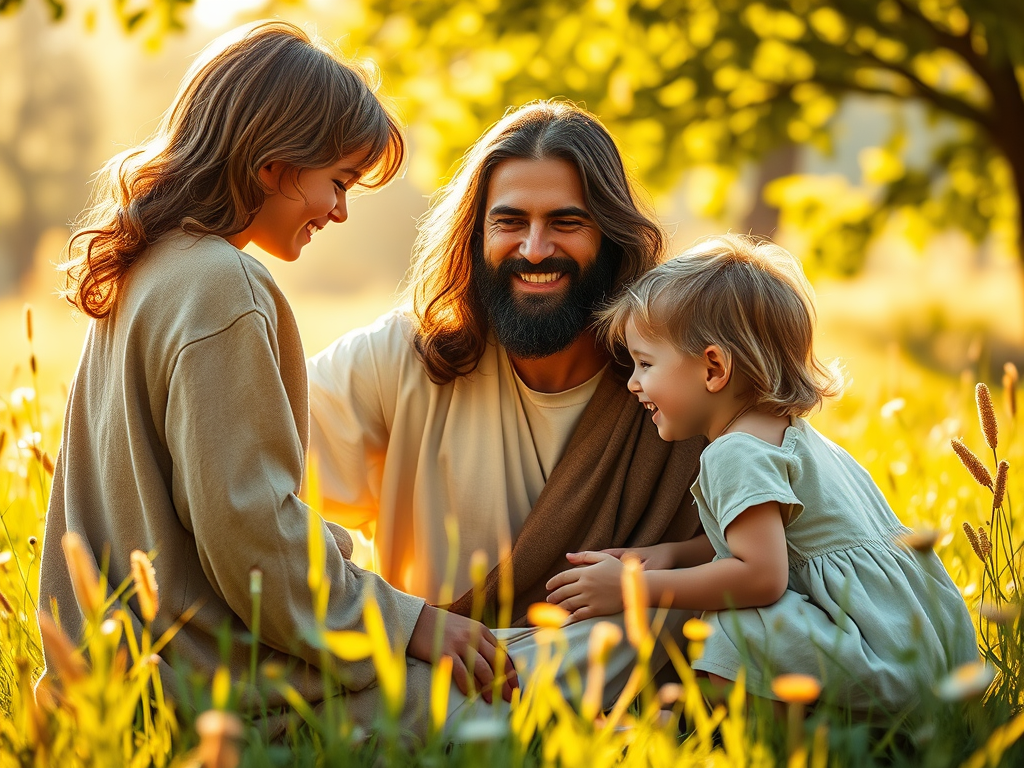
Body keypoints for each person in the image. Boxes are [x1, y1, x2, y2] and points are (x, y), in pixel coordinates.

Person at [38, 21, 516, 739]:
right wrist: (408, 621)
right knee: (509, 707)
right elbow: (252, 537)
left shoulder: (148, 272)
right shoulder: (221, 287)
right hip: (211, 709)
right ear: (273, 164)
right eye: (338, 181)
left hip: (107, 697)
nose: (340, 210)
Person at [307, 101, 704, 704]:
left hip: (601, 661)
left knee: (729, 628)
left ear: (613, 237)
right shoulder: (402, 358)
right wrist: (396, 618)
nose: (536, 249)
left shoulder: (680, 376)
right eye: (510, 222)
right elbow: (254, 491)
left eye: (566, 222)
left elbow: (772, 540)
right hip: (436, 663)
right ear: (476, 236)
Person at [545, 233, 978, 712]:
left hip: (873, 653)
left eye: (645, 363)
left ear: (713, 368)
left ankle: (737, 734)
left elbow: (763, 575)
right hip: (917, 644)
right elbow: (765, 538)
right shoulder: (788, 434)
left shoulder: (734, 453)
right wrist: (670, 553)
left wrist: (632, 589)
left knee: (731, 620)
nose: (633, 382)